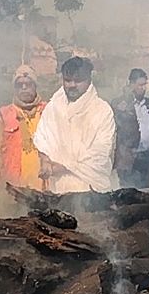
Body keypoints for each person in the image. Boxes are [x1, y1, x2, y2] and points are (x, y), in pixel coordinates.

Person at [33, 56, 116, 193]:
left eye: (78, 81)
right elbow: (43, 138)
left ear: (89, 80)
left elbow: (99, 155)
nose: (72, 85)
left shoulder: (102, 110)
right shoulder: (53, 107)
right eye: (67, 80)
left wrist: (62, 167)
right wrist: (45, 161)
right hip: (58, 190)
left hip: (92, 190)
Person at [0, 65, 47, 190]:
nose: (24, 88)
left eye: (28, 84)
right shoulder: (3, 115)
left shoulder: (48, 111)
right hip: (14, 187)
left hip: (44, 187)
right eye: (20, 85)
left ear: (35, 86)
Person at [112, 68, 149, 188]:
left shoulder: (148, 104)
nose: (143, 88)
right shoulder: (120, 104)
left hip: (145, 157)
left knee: (146, 193)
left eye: (145, 84)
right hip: (128, 158)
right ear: (131, 84)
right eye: (140, 85)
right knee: (129, 194)